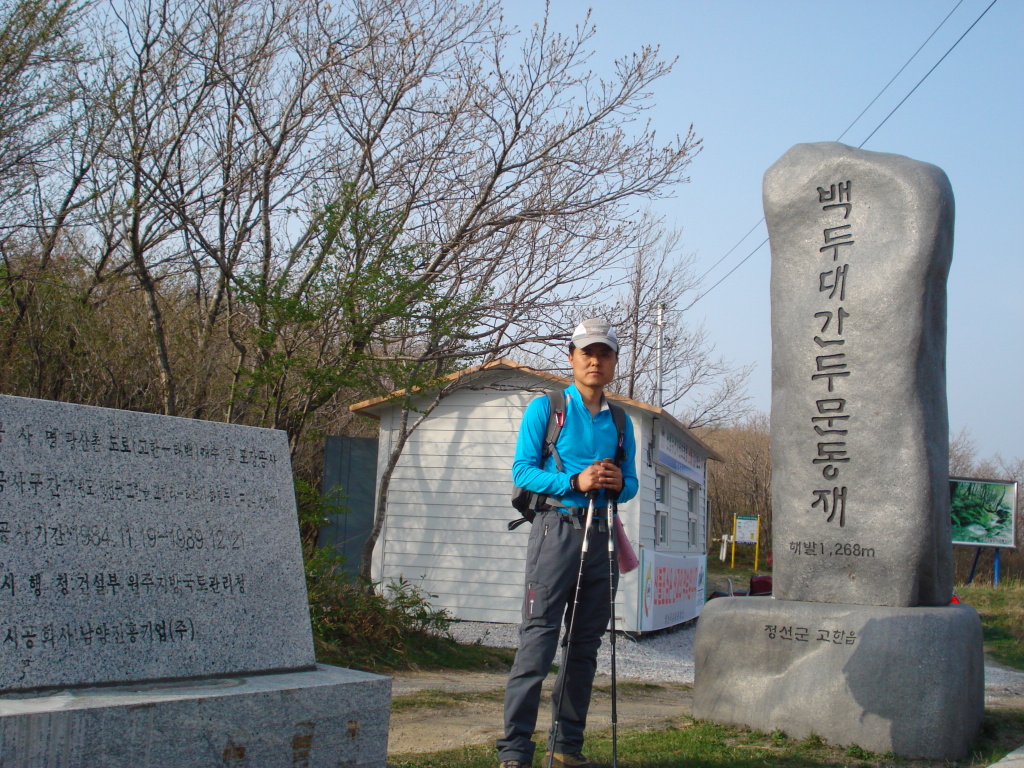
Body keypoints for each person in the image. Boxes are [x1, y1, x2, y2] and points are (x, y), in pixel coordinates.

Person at [497, 318, 639, 768]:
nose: (595, 360)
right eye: (586, 352)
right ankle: (516, 752)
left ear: (614, 361)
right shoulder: (548, 408)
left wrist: (619, 482)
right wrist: (573, 479)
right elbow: (522, 472)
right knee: (537, 642)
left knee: (584, 647)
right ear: (572, 358)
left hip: (602, 536)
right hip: (556, 530)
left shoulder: (621, 421)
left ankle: (566, 750)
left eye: (604, 353)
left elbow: (632, 482)